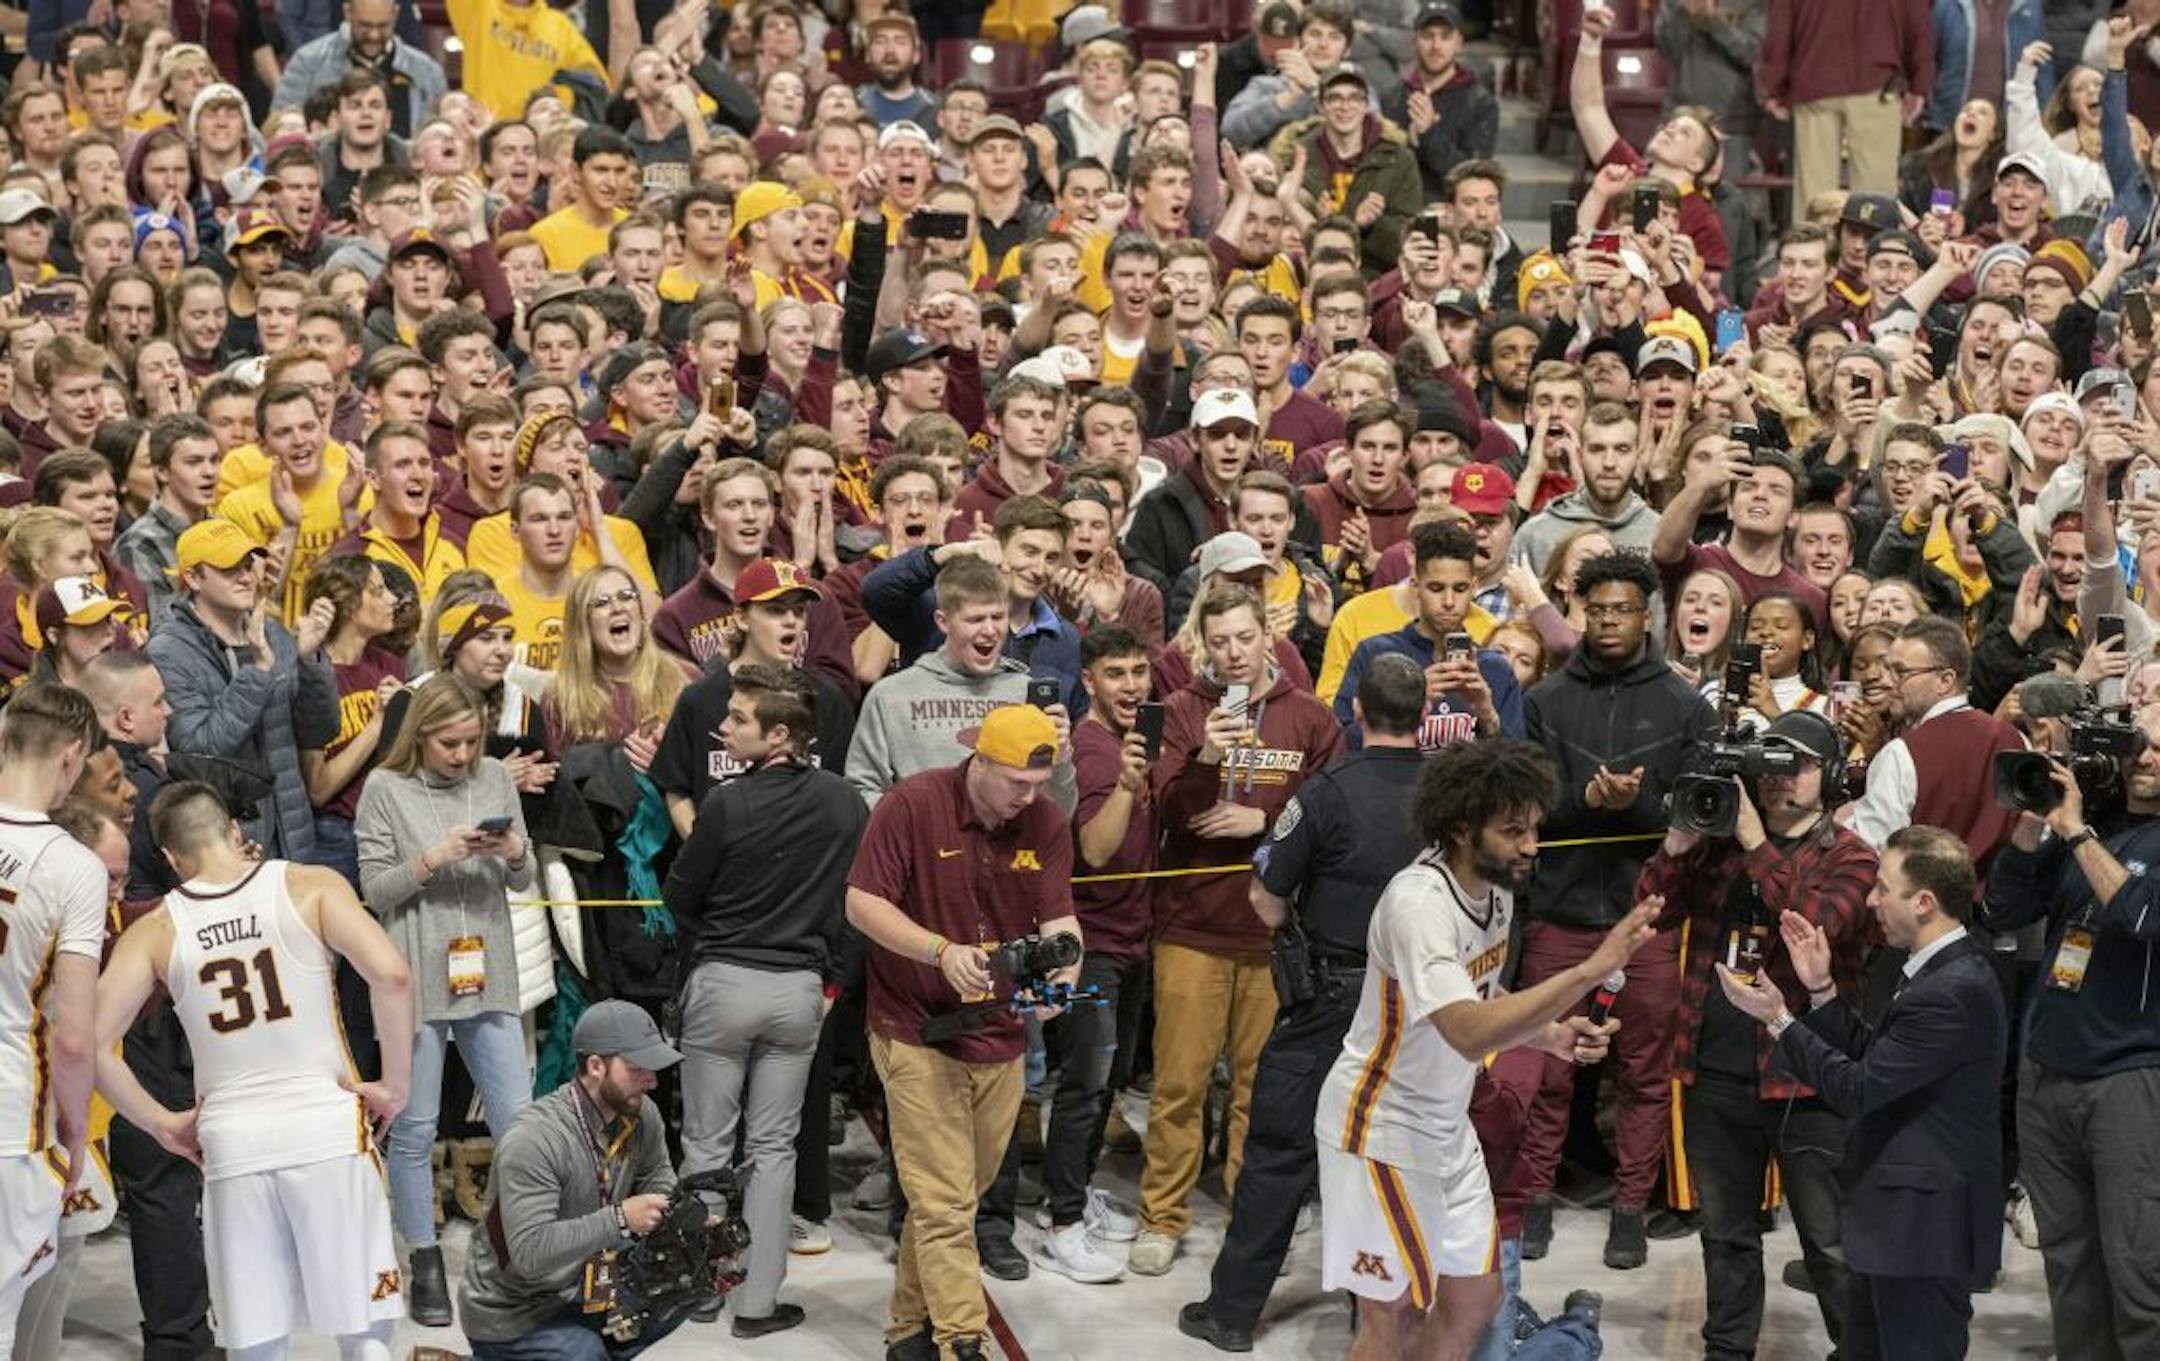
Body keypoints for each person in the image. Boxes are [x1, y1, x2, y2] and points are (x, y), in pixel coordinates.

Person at [1313, 737, 1659, 1361]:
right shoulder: (1418, 903)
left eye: (1533, 828)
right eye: (1512, 831)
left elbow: (1483, 989)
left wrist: (1550, 1034)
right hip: (1381, 1131)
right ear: (1460, 828)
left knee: (1475, 1299)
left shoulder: (1495, 891)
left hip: (1444, 1127)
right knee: (1390, 1322)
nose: (1531, 845)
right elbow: (1467, 1029)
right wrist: (1591, 969)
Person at [91, 779, 419, 1361]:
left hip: (234, 1142)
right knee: (364, 1328)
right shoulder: (311, 885)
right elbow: (391, 975)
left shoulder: (155, 930)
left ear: (169, 858)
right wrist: (395, 1085)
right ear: (235, 832)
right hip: (325, 1128)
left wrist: (161, 1122)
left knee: (257, 1338)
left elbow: (87, 1046)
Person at [1180, 652, 1430, 1351]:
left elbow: (1265, 900)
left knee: (1280, 1151)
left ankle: (1230, 1312)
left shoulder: (1324, 793)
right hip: (1425, 1006)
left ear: (1356, 711)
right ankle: (1377, 1310)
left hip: (1331, 1000)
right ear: (1423, 718)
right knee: (1398, 1155)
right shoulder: (1453, 795)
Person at [844, 703, 1083, 1361]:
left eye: (1039, 783)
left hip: (1001, 1034)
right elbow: (860, 901)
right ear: (978, 760)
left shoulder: (1048, 823)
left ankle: (904, 1330)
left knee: (950, 1196)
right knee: (948, 1206)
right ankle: (961, 1340)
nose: (1029, 797)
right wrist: (938, 950)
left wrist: (1061, 977)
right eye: (1016, 782)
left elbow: (1061, 919)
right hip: (915, 1027)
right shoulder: (911, 805)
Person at [1636, 709, 1877, 1358]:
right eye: (1766, 763)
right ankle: (1728, 1350)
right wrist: (1679, 843)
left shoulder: (1851, 856)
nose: (1775, 780)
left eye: (1792, 765)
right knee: (1725, 1234)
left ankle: (1860, 1349)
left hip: (1810, 1079)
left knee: (1830, 1243)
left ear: (1828, 776)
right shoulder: (1721, 844)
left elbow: (1814, 920)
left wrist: (1751, 838)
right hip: (1714, 1070)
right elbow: (1650, 911)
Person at [1717, 826, 2006, 1361]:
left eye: (1882, 889)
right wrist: (1822, 989)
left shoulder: (1953, 988)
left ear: (1923, 902)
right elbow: (1882, 1061)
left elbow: (1860, 1089)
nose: (1871, 901)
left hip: (1924, 1232)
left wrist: (1779, 1020)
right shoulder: (1935, 974)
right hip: (1900, 1227)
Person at [1129, 584, 1343, 1277]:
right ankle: (1161, 1216)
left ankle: (1252, 1222)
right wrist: (1206, 760)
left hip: (1272, 933)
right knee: (1180, 1085)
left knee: (1261, 1090)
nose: (1232, 652)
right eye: (1218, 640)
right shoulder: (1181, 713)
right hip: (1191, 926)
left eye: (1244, 638)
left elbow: (1330, 812)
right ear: (1202, 644)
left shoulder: (1309, 717)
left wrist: (1265, 825)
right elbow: (1163, 809)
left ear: (1267, 639)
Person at [1515, 551, 1718, 1265]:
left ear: (1647, 615)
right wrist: (1586, 803)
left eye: (1621, 609)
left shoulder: (1688, 706)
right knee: (1546, 1072)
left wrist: (1643, 805)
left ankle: (1630, 1206)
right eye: (1595, 609)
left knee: (1643, 1070)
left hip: (1650, 917)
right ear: (1580, 610)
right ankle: (1532, 1197)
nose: (1607, 621)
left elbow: (1700, 817)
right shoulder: (1541, 701)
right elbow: (1527, 814)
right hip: (1561, 911)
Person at [662, 662, 867, 1339]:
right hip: (799, 992)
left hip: (723, 985)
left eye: (739, 718)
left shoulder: (726, 803)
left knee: (706, 1143)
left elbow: (680, 896)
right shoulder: (845, 802)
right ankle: (757, 1303)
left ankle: (701, 1289)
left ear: (779, 734)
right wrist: (830, 980)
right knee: (776, 1148)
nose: (723, 726)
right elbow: (853, 906)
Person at [353, 674, 534, 1329]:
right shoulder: (384, 789)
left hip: (489, 970)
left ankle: (510, 1250)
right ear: (419, 734)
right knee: (416, 1127)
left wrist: (513, 848)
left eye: (471, 740)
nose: (463, 753)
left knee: (518, 1120)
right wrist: (432, 857)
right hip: (416, 977)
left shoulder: (493, 778)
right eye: (449, 742)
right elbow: (375, 888)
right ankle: (423, 1256)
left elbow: (526, 872)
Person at [1982, 710, 2160, 1361]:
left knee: (2141, 1274)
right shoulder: (2096, 828)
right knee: (2072, 1275)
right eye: (2142, 744)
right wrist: (2032, 823)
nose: (2145, 758)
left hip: (2133, 1077)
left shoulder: (2092, 834)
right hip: (2048, 1069)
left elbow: (2145, 915)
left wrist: (2078, 830)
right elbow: (2002, 911)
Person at [455, 1000, 690, 1359]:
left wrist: (680, 1221)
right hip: (515, 1310)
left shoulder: (642, 1113)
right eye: (637, 1068)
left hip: (585, 1279)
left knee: (685, 1284)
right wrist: (620, 1218)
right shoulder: (534, 1138)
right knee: (583, 1352)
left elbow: (657, 1175)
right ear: (596, 1066)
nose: (652, 1080)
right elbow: (530, 1253)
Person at [0, 686, 107, 1358]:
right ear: (72, 757)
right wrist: (74, 1128)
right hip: (12, 1115)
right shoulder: (75, 865)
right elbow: (72, 1033)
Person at [145, 519, 340, 862]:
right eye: (228, 568)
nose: (246, 576)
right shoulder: (168, 650)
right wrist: (259, 670)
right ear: (193, 578)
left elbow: (318, 732)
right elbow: (201, 749)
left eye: (249, 564)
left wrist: (309, 661)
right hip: (229, 841)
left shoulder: (273, 633)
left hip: (293, 832)